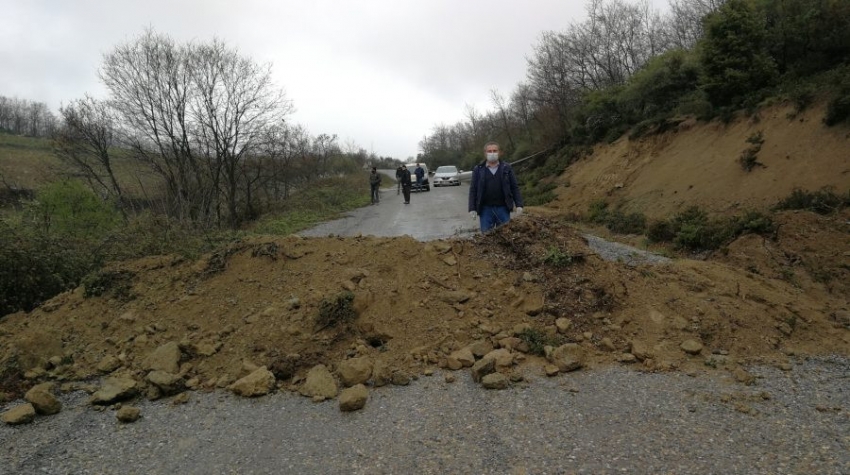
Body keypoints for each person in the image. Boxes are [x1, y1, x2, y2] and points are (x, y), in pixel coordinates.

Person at [468, 141, 524, 232]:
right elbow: (473, 190)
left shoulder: (507, 168)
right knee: (486, 237)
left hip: (503, 208)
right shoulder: (478, 169)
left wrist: (519, 205)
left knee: (505, 236)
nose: (492, 153)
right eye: (489, 151)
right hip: (485, 210)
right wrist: (472, 208)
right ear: (485, 153)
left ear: (499, 152)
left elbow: (514, 187)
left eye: (495, 150)